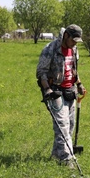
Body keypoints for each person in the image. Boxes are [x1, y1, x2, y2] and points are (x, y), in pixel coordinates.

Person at [36, 24, 86, 168]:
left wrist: (79, 84)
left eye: (77, 41)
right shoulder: (50, 49)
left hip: (70, 91)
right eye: (73, 40)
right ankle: (67, 161)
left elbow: (74, 69)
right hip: (55, 91)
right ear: (66, 36)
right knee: (62, 127)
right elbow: (41, 72)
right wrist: (47, 89)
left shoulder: (74, 49)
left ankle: (56, 156)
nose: (75, 44)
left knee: (69, 127)